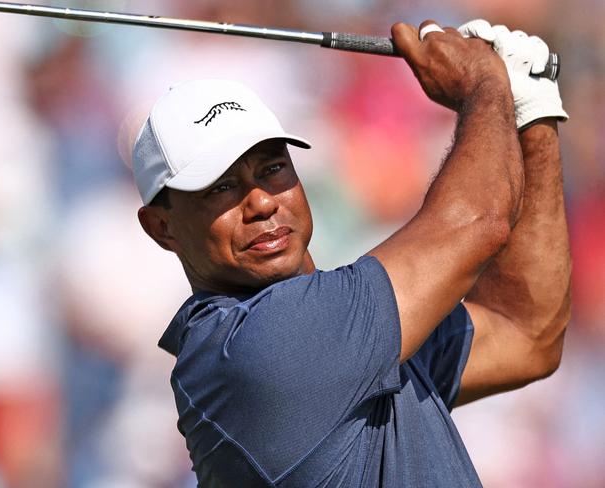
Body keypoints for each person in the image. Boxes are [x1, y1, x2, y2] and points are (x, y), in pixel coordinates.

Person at [132, 19, 571, 487]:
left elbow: (528, 334)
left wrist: (532, 113)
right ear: (162, 228)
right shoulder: (251, 349)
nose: (261, 202)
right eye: (220, 187)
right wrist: (486, 84)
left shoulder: (361, 330)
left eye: (274, 168)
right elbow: (479, 220)